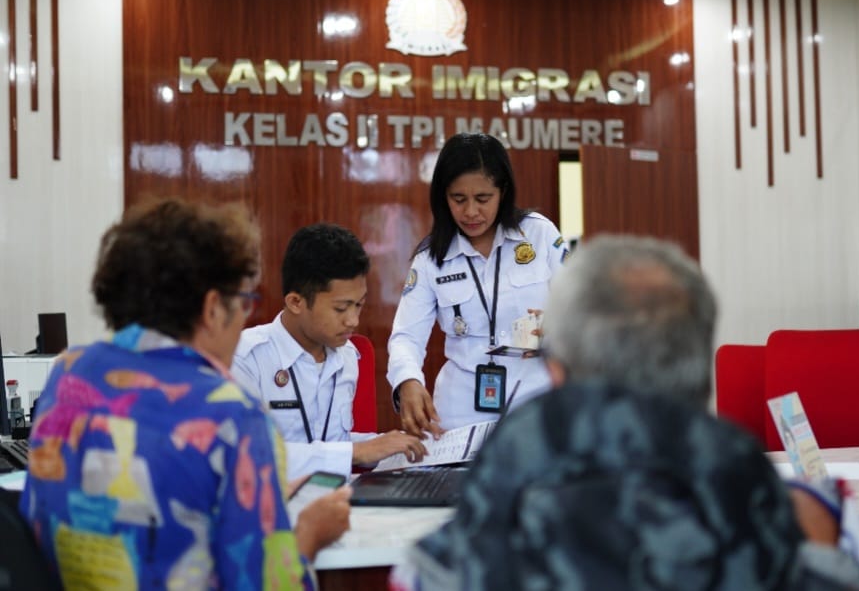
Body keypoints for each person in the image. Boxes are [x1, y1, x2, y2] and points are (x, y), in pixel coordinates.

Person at [391, 235, 859, 590]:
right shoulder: (755, 488)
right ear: (698, 364)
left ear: (556, 371)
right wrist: (825, 525)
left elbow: (417, 574)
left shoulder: (505, 484)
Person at [20, 198, 350, 589]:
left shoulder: (68, 373)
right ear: (213, 309)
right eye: (243, 302)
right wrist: (309, 535)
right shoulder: (234, 417)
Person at [388, 132, 569, 437]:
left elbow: (584, 310)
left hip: (537, 407)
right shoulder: (431, 258)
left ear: (503, 191)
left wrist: (560, 328)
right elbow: (406, 336)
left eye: (483, 199)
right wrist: (407, 380)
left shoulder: (539, 235)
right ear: (443, 197)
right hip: (460, 417)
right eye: (458, 199)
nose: (471, 212)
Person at [233, 223, 426, 480]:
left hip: (338, 497)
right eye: (341, 309)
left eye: (359, 305)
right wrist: (356, 452)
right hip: (274, 500)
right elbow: (247, 455)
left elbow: (331, 441)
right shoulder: (245, 358)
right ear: (296, 302)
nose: (353, 320)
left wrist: (392, 445)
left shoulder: (347, 355)